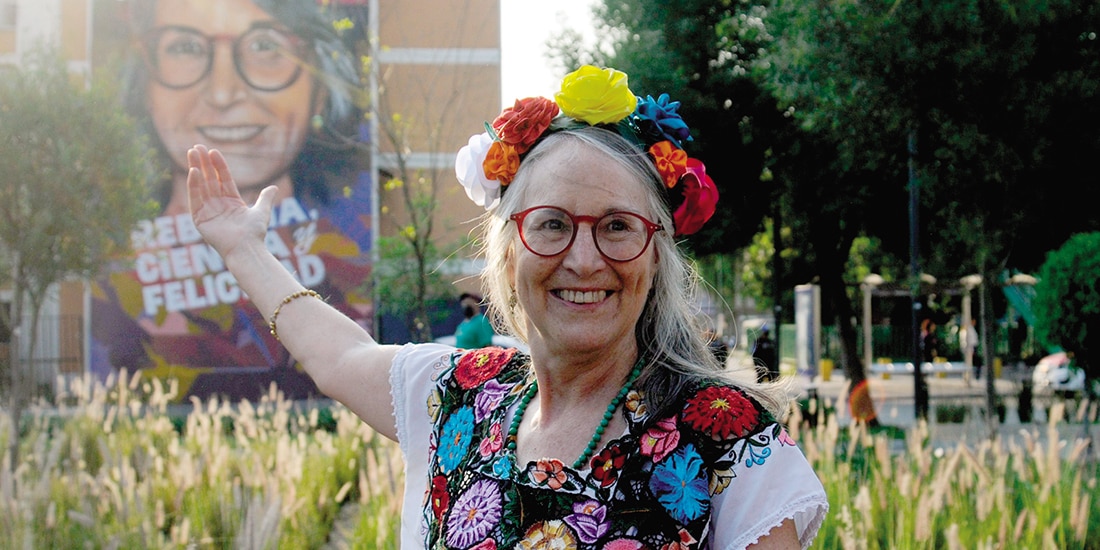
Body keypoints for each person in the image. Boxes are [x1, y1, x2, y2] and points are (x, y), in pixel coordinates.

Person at [185, 65, 827, 548]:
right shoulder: (461, 394)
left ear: (656, 253)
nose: (583, 259)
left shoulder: (729, 441)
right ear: (507, 251)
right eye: (551, 225)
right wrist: (244, 251)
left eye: (617, 226)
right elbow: (340, 355)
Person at [89, 0, 373, 400]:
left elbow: (345, 363)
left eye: (265, 47)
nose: (223, 93)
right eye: (185, 48)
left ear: (320, 87)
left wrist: (244, 249)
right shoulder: (108, 288)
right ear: (143, 86)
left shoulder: (351, 272)